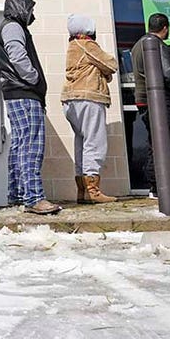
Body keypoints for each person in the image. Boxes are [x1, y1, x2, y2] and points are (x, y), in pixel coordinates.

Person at [0, 0, 61, 215]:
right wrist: (33, 78)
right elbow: (17, 56)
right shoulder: (13, 27)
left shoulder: (10, 26)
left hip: (17, 93)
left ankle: (16, 195)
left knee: (19, 145)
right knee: (31, 146)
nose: (33, 14)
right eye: (31, 9)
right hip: (24, 92)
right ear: (21, 8)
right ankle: (33, 198)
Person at [131, 13, 170, 202]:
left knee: (156, 144)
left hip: (145, 100)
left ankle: (155, 185)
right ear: (165, 27)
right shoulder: (156, 44)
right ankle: (168, 187)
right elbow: (169, 73)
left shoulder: (137, 45)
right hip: (160, 100)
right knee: (167, 144)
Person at [61, 14, 118, 204]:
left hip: (71, 99)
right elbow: (110, 64)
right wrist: (105, 72)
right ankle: (93, 190)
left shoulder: (72, 46)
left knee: (81, 143)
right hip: (88, 97)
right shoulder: (86, 44)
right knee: (95, 142)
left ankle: (82, 191)